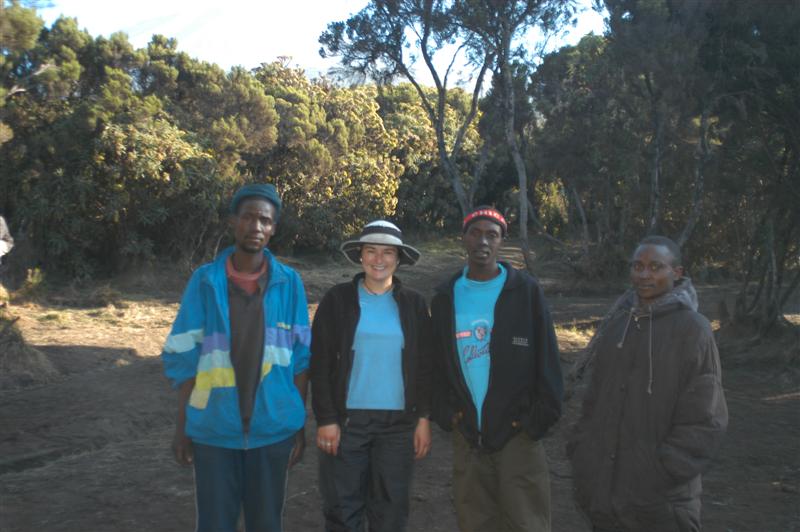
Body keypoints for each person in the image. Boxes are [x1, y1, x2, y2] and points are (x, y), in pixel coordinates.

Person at [161, 183, 311, 532]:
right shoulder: (204, 282)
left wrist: (297, 425)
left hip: (272, 431)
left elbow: (302, 359)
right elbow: (184, 357)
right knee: (214, 524)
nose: (255, 227)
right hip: (214, 432)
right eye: (248, 217)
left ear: (273, 228)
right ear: (233, 222)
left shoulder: (290, 284)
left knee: (266, 523)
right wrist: (183, 427)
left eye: (265, 220)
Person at [567, 235, 729, 532]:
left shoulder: (693, 330)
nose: (644, 275)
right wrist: (582, 452)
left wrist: (663, 470)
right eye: (637, 266)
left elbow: (706, 417)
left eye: (655, 267)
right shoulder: (617, 325)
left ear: (676, 272)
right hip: (605, 495)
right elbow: (593, 401)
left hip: (662, 503)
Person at [430, 206, 563, 532]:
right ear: (463, 238)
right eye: (475, 233)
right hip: (468, 435)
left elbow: (548, 361)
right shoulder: (446, 297)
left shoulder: (525, 291)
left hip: (518, 435)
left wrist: (534, 421)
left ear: (503, 240)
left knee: (526, 521)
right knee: (475, 521)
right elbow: (435, 365)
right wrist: (448, 415)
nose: (483, 241)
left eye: (492, 234)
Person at [309, 220, 432, 532]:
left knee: (390, 512)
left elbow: (425, 367)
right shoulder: (338, 300)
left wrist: (423, 419)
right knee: (342, 510)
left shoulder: (414, 304)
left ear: (399, 258)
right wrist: (326, 419)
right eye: (371, 250)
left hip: (398, 426)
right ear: (360, 256)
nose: (379, 259)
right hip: (347, 423)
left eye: (388, 252)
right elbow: (320, 362)